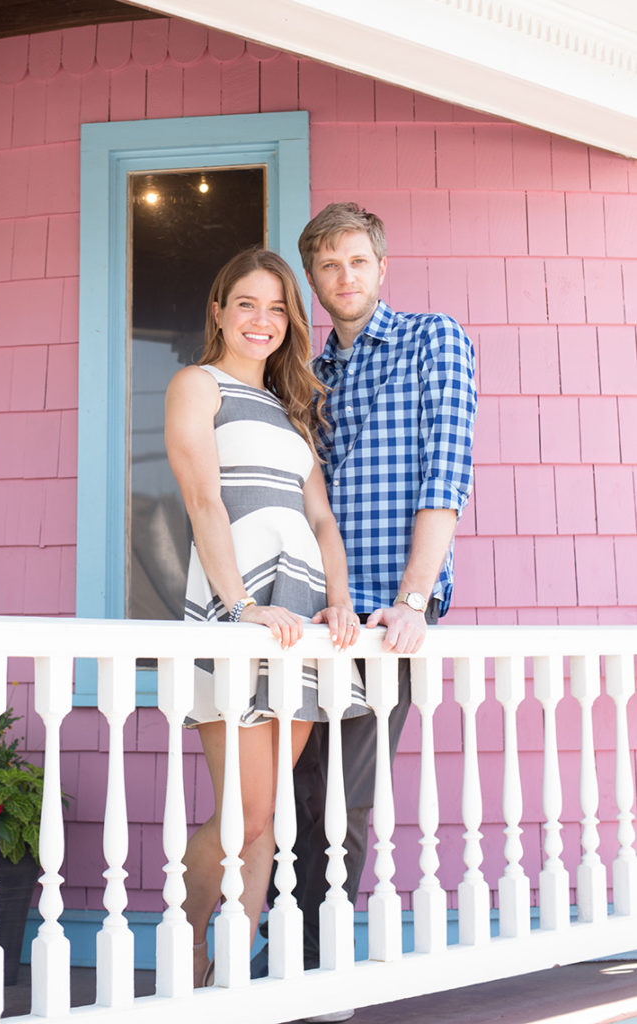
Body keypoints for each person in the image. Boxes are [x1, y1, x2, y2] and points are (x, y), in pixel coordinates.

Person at [259, 203, 477, 1023]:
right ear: (312, 282)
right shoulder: (314, 373)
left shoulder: (433, 339)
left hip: (387, 623)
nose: (344, 278)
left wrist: (416, 600)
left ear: (381, 267)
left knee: (346, 800)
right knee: (301, 793)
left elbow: (444, 473)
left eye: (357, 261)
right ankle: (292, 949)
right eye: (327, 267)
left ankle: (324, 966)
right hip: (315, 615)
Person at [164, 247, 369, 988]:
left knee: (270, 820)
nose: (262, 320)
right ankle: (187, 942)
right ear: (218, 310)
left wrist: (337, 603)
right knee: (244, 817)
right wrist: (240, 604)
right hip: (244, 613)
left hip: (303, 622)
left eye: (278, 307)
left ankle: (230, 978)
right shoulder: (198, 384)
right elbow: (202, 498)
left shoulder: (293, 411)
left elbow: (320, 517)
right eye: (246, 303)